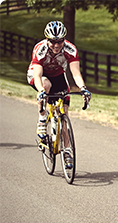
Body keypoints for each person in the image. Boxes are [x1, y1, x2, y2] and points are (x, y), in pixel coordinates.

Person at [27, 20, 91, 168]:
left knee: (64, 114)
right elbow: (37, 75)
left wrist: (83, 88)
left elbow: (75, 73)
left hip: (58, 76)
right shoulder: (40, 49)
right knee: (46, 85)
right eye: (52, 42)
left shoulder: (70, 49)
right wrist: (41, 92)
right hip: (38, 76)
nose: (56, 45)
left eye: (60, 41)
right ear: (47, 39)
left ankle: (67, 151)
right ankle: (42, 119)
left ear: (64, 40)